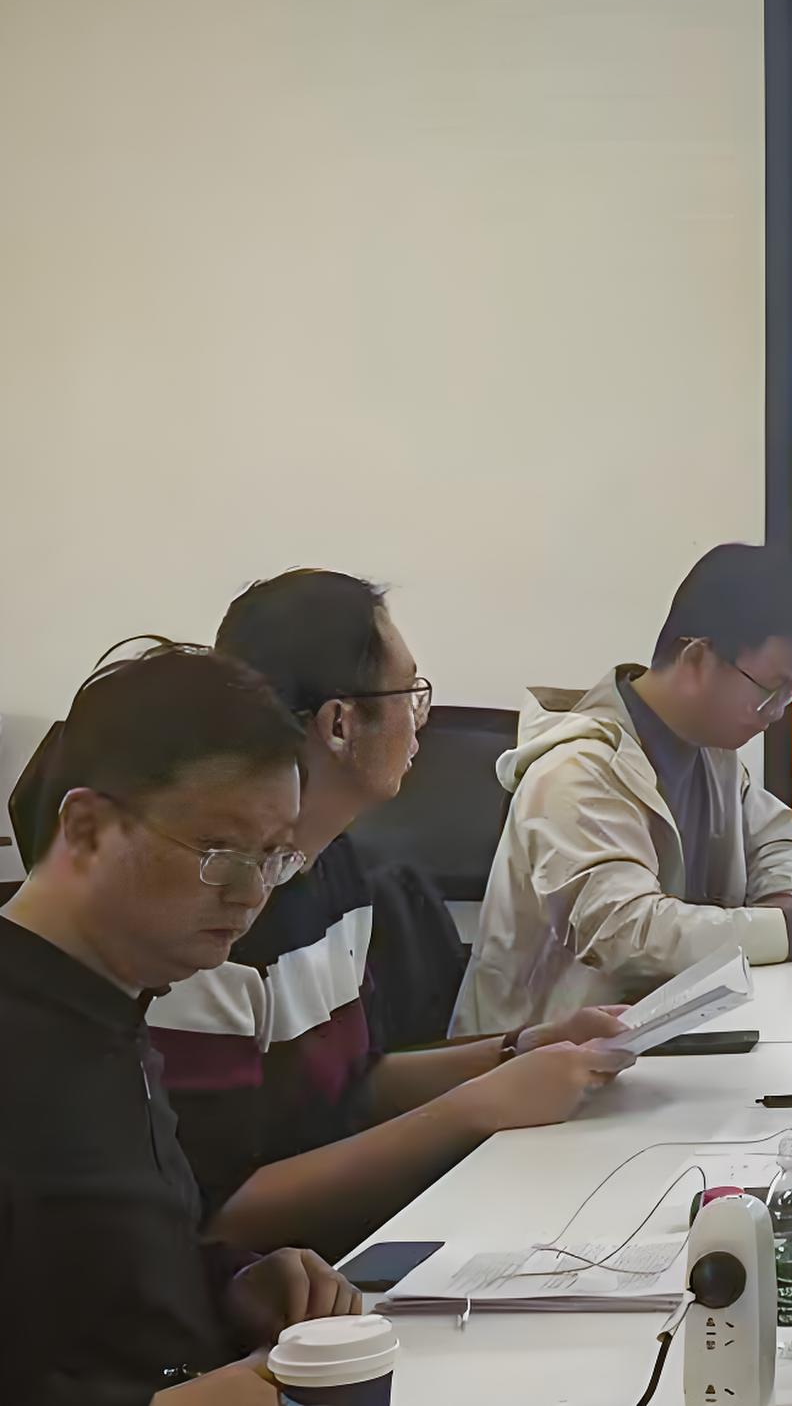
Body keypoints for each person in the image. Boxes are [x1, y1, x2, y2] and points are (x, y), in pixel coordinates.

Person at [145, 571, 631, 1256]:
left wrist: (524, 1047)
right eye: (409, 692)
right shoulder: (216, 915)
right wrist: (476, 1108)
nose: (420, 717)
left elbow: (357, 1084)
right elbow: (221, 1215)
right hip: (286, 1279)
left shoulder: (336, 864)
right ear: (340, 724)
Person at [0, 642, 363, 1406]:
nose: (250, 893)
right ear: (87, 828)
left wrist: (230, 1283)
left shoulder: (118, 1002)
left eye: (274, 856)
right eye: (218, 850)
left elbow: (92, 1279)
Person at [457, 543, 792, 1033]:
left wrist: (782, 904)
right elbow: (628, 934)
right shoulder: (574, 771)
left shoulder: (709, 751)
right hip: (539, 1059)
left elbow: (777, 839)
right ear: (697, 658)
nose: (776, 712)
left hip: (662, 1034)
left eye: (791, 692)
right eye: (770, 688)